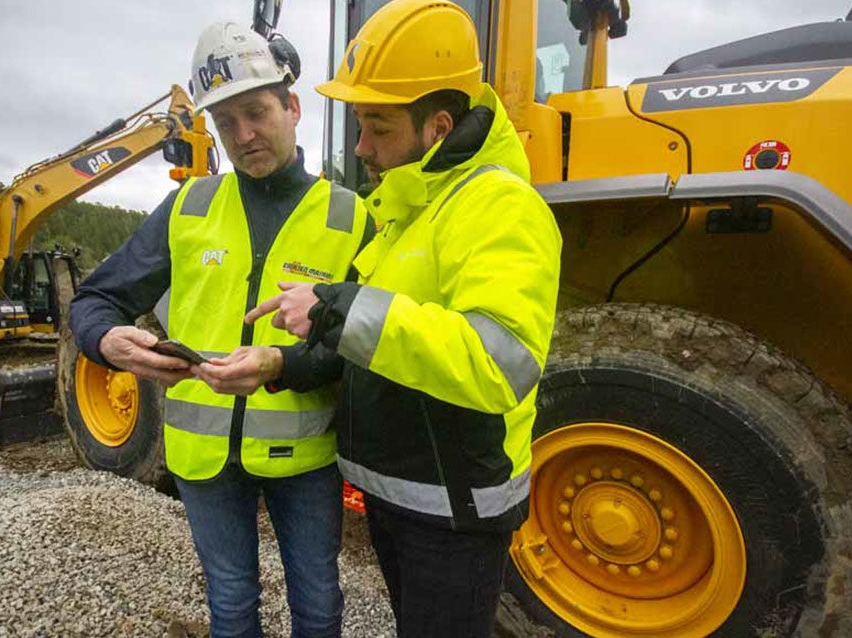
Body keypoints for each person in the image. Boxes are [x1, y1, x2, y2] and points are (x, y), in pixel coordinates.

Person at [237, 1, 562, 636]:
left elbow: (496, 362)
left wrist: (338, 306)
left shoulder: (500, 207)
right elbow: (373, 345)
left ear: (438, 127)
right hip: (402, 499)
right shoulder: (408, 210)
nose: (360, 148)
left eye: (378, 128)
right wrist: (280, 363)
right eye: (358, 126)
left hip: (452, 513)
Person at [68, 21, 372, 638]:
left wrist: (280, 366)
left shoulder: (350, 217)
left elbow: (364, 348)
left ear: (292, 106)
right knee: (230, 604)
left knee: (317, 604)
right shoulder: (188, 207)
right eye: (225, 122)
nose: (244, 135)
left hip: (305, 457)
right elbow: (97, 297)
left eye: (257, 113)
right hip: (203, 458)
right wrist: (105, 340)